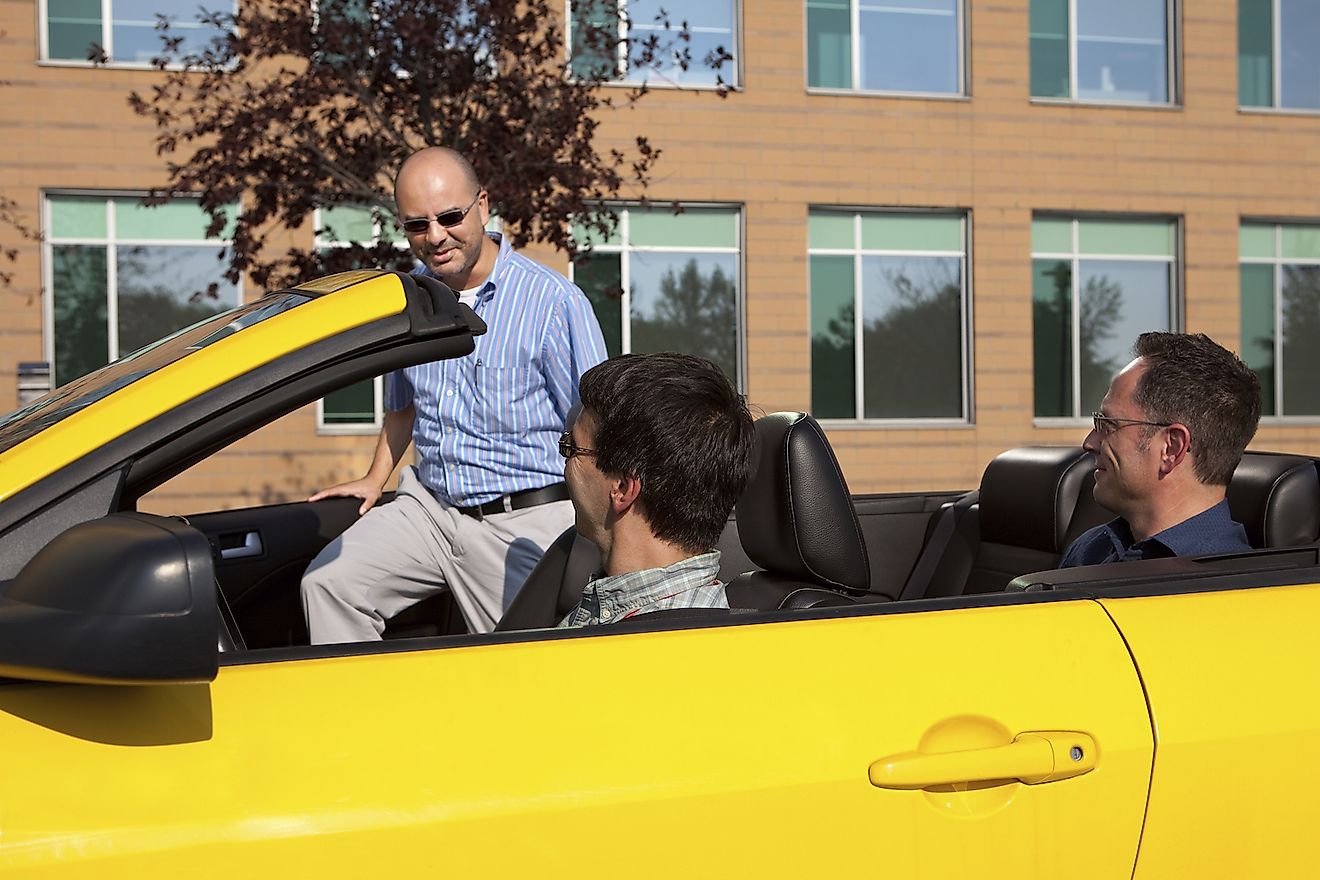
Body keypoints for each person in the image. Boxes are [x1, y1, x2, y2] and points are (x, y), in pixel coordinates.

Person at [301, 147, 607, 642]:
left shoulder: (553, 302)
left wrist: (607, 531)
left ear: (482, 206)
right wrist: (375, 478)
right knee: (328, 584)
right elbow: (403, 408)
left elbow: (598, 426)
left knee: (523, 677)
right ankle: (361, 719)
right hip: (429, 509)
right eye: (418, 224)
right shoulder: (411, 301)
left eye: (449, 217)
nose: (436, 236)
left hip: (523, 522)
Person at [556, 352, 757, 627]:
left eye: (571, 448)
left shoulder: (644, 651)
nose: (565, 465)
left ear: (622, 487)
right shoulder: (710, 632)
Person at [1059, 331, 1261, 567]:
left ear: (1171, 448)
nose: (1089, 443)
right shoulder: (1091, 549)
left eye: (1108, 424)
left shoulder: (1232, 589)